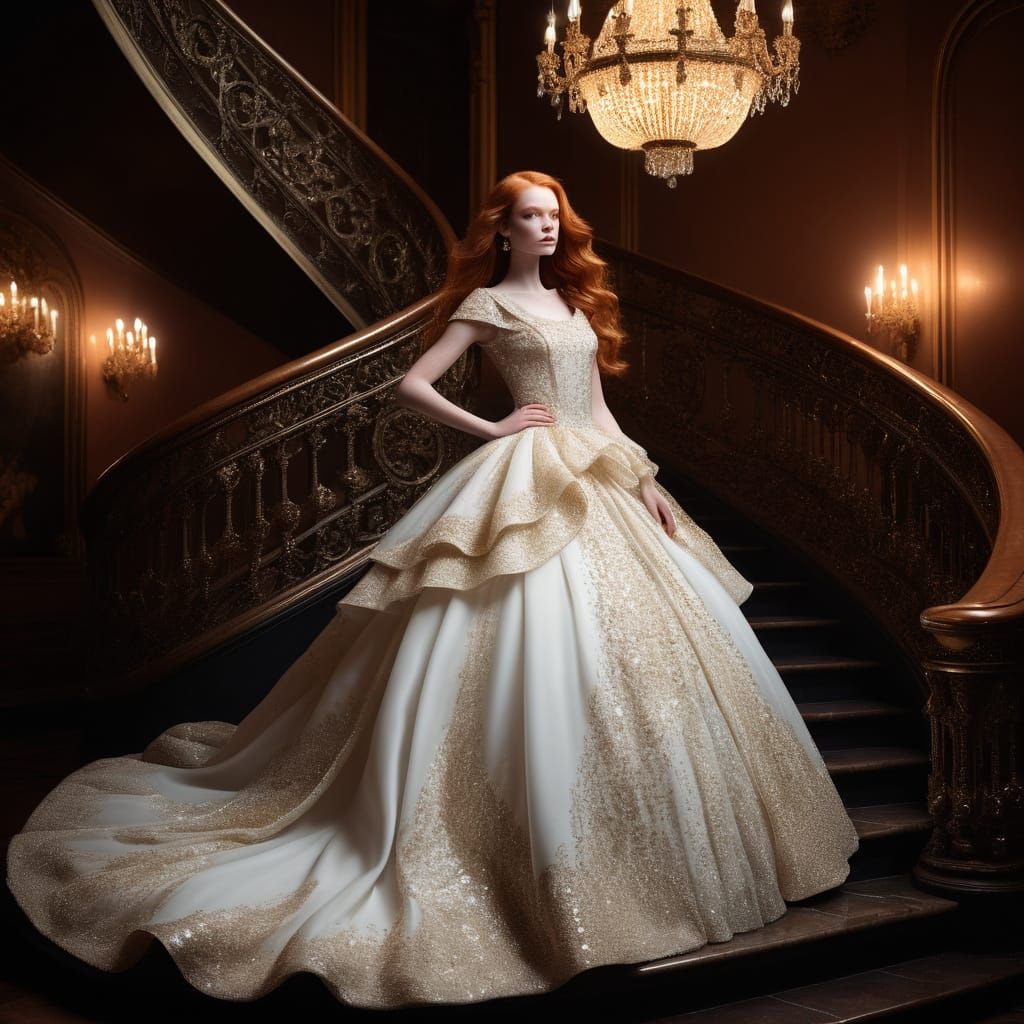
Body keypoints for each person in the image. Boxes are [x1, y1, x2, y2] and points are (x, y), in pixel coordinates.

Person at [5, 171, 859, 1010]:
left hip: (599, 481)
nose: (549, 228)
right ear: (503, 232)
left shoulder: (573, 307)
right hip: (523, 470)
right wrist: (492, 426)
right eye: (532, 217)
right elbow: (412, 385)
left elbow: (598, 410)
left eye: (555, 216)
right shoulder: (486, 307)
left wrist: (647, 483)